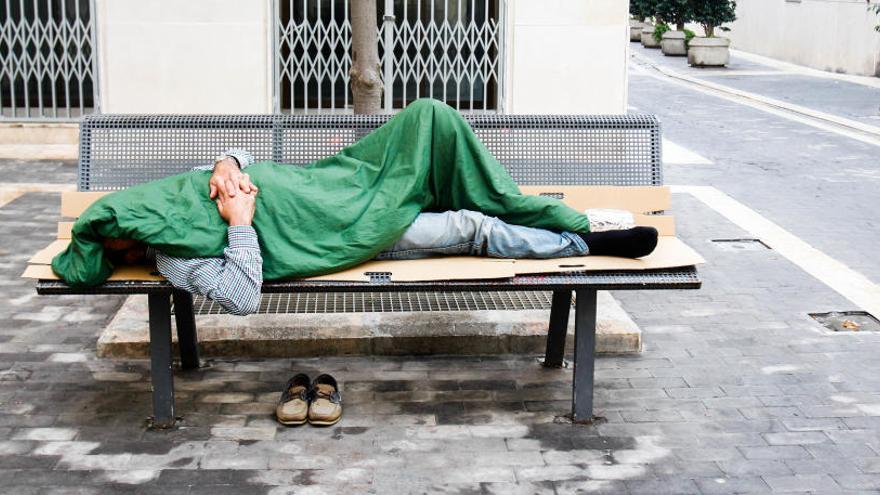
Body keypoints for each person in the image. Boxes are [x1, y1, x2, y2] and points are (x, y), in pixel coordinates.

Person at [102, 145, 658, 316]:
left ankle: (548, 218)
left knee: (429, 120)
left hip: (341, 193)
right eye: (121, 231)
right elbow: (244, 296)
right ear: (123, 246)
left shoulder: (174, 197)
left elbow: (241, 157)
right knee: (470, 227)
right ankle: (586, 242)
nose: (133, 219)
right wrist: (242, 224)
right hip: (348, 237)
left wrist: (225, 161)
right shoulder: (176, 257)